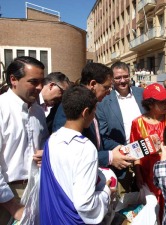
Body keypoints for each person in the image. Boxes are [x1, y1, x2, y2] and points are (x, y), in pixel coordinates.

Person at [40, 85, 113, 224]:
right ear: (86, 112)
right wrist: (106, 193)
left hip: (50, 218)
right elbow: (85, 205)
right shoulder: (85, 148)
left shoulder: (52, 140)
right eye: (94, 111)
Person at [52, 63, 134, 171]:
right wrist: (109, 157)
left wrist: (122, 149)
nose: (109, 93)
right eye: (106, 87)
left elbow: (98, 140)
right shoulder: (72, 105)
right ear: (93, 84)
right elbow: (71, 153)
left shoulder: (91, 104)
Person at [0, 56, 48, 224]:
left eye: (42, 82)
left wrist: (46, 154)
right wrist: (12, 205)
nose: (40, 88)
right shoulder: (2, 109)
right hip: (7, 197)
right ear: (13, 79)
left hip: (36, 189)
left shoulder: (38, 111)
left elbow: (43, 145)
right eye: (34, 82)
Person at [97, 61, 144, 192]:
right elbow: (103, 135)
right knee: (124, 203)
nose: (122, 81)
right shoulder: (104, 101)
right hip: (123, 161)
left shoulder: (142, 93)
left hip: (146, 157)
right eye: (118, 78)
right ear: (112, 80)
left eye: (125, 76)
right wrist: (124, 150)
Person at [130, 83, 166, 222]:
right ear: (150, 104)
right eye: (161, 102)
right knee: (152, 207)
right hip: (147, 173)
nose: (165, 104)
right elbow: (135, 153)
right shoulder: (138, 123)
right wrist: (138, 175)